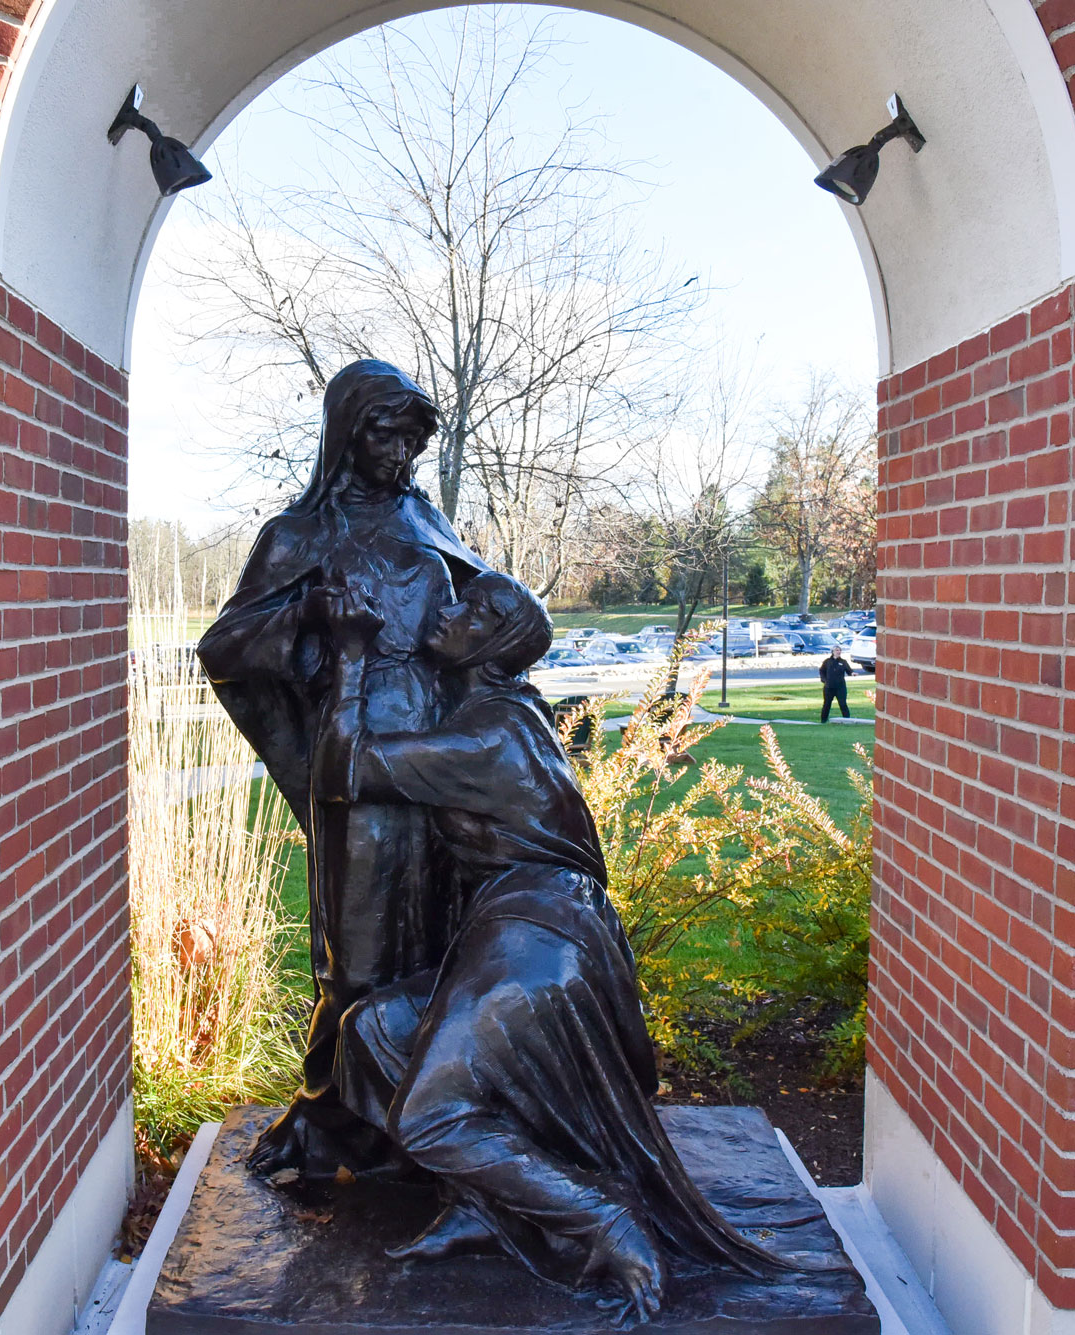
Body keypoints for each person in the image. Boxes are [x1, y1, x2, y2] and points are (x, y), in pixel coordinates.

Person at [311, 570, 811, 1322]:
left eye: (471, 610)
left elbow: (339, 770)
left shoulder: (491, 735)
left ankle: (600, 1214)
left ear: (495, 643)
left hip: (538, 937)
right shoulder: (503, 713)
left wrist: (350, 653)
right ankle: (487, 1203)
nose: (448, 612)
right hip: (528, 926)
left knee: (430, 1115)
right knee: (374, 1031)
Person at [197, 360, 486, 1176]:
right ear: (346, 431)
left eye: (411, 438)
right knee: (357, 950)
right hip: (355, 758)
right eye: (385, 433)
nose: (400, 453)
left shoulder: (426, 516)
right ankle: (338, 1118)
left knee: (440, 933)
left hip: (439, 756)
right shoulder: (297, 537)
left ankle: (427, 1123)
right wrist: (308, 611)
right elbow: (223, 647)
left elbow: (483, 617)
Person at [819, 645, 852, 722]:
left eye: (839, 650)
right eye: (837, 650)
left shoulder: (843, 662)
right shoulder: (827, 661)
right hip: (829, 687)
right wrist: (824, 680)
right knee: (827, 704)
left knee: (843, 703)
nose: (838, 652)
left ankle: (847, 720)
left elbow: (849, 670)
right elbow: (822, 671)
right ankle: (823, 720)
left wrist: (852, 673)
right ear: (833, 652)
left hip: (840, 687)